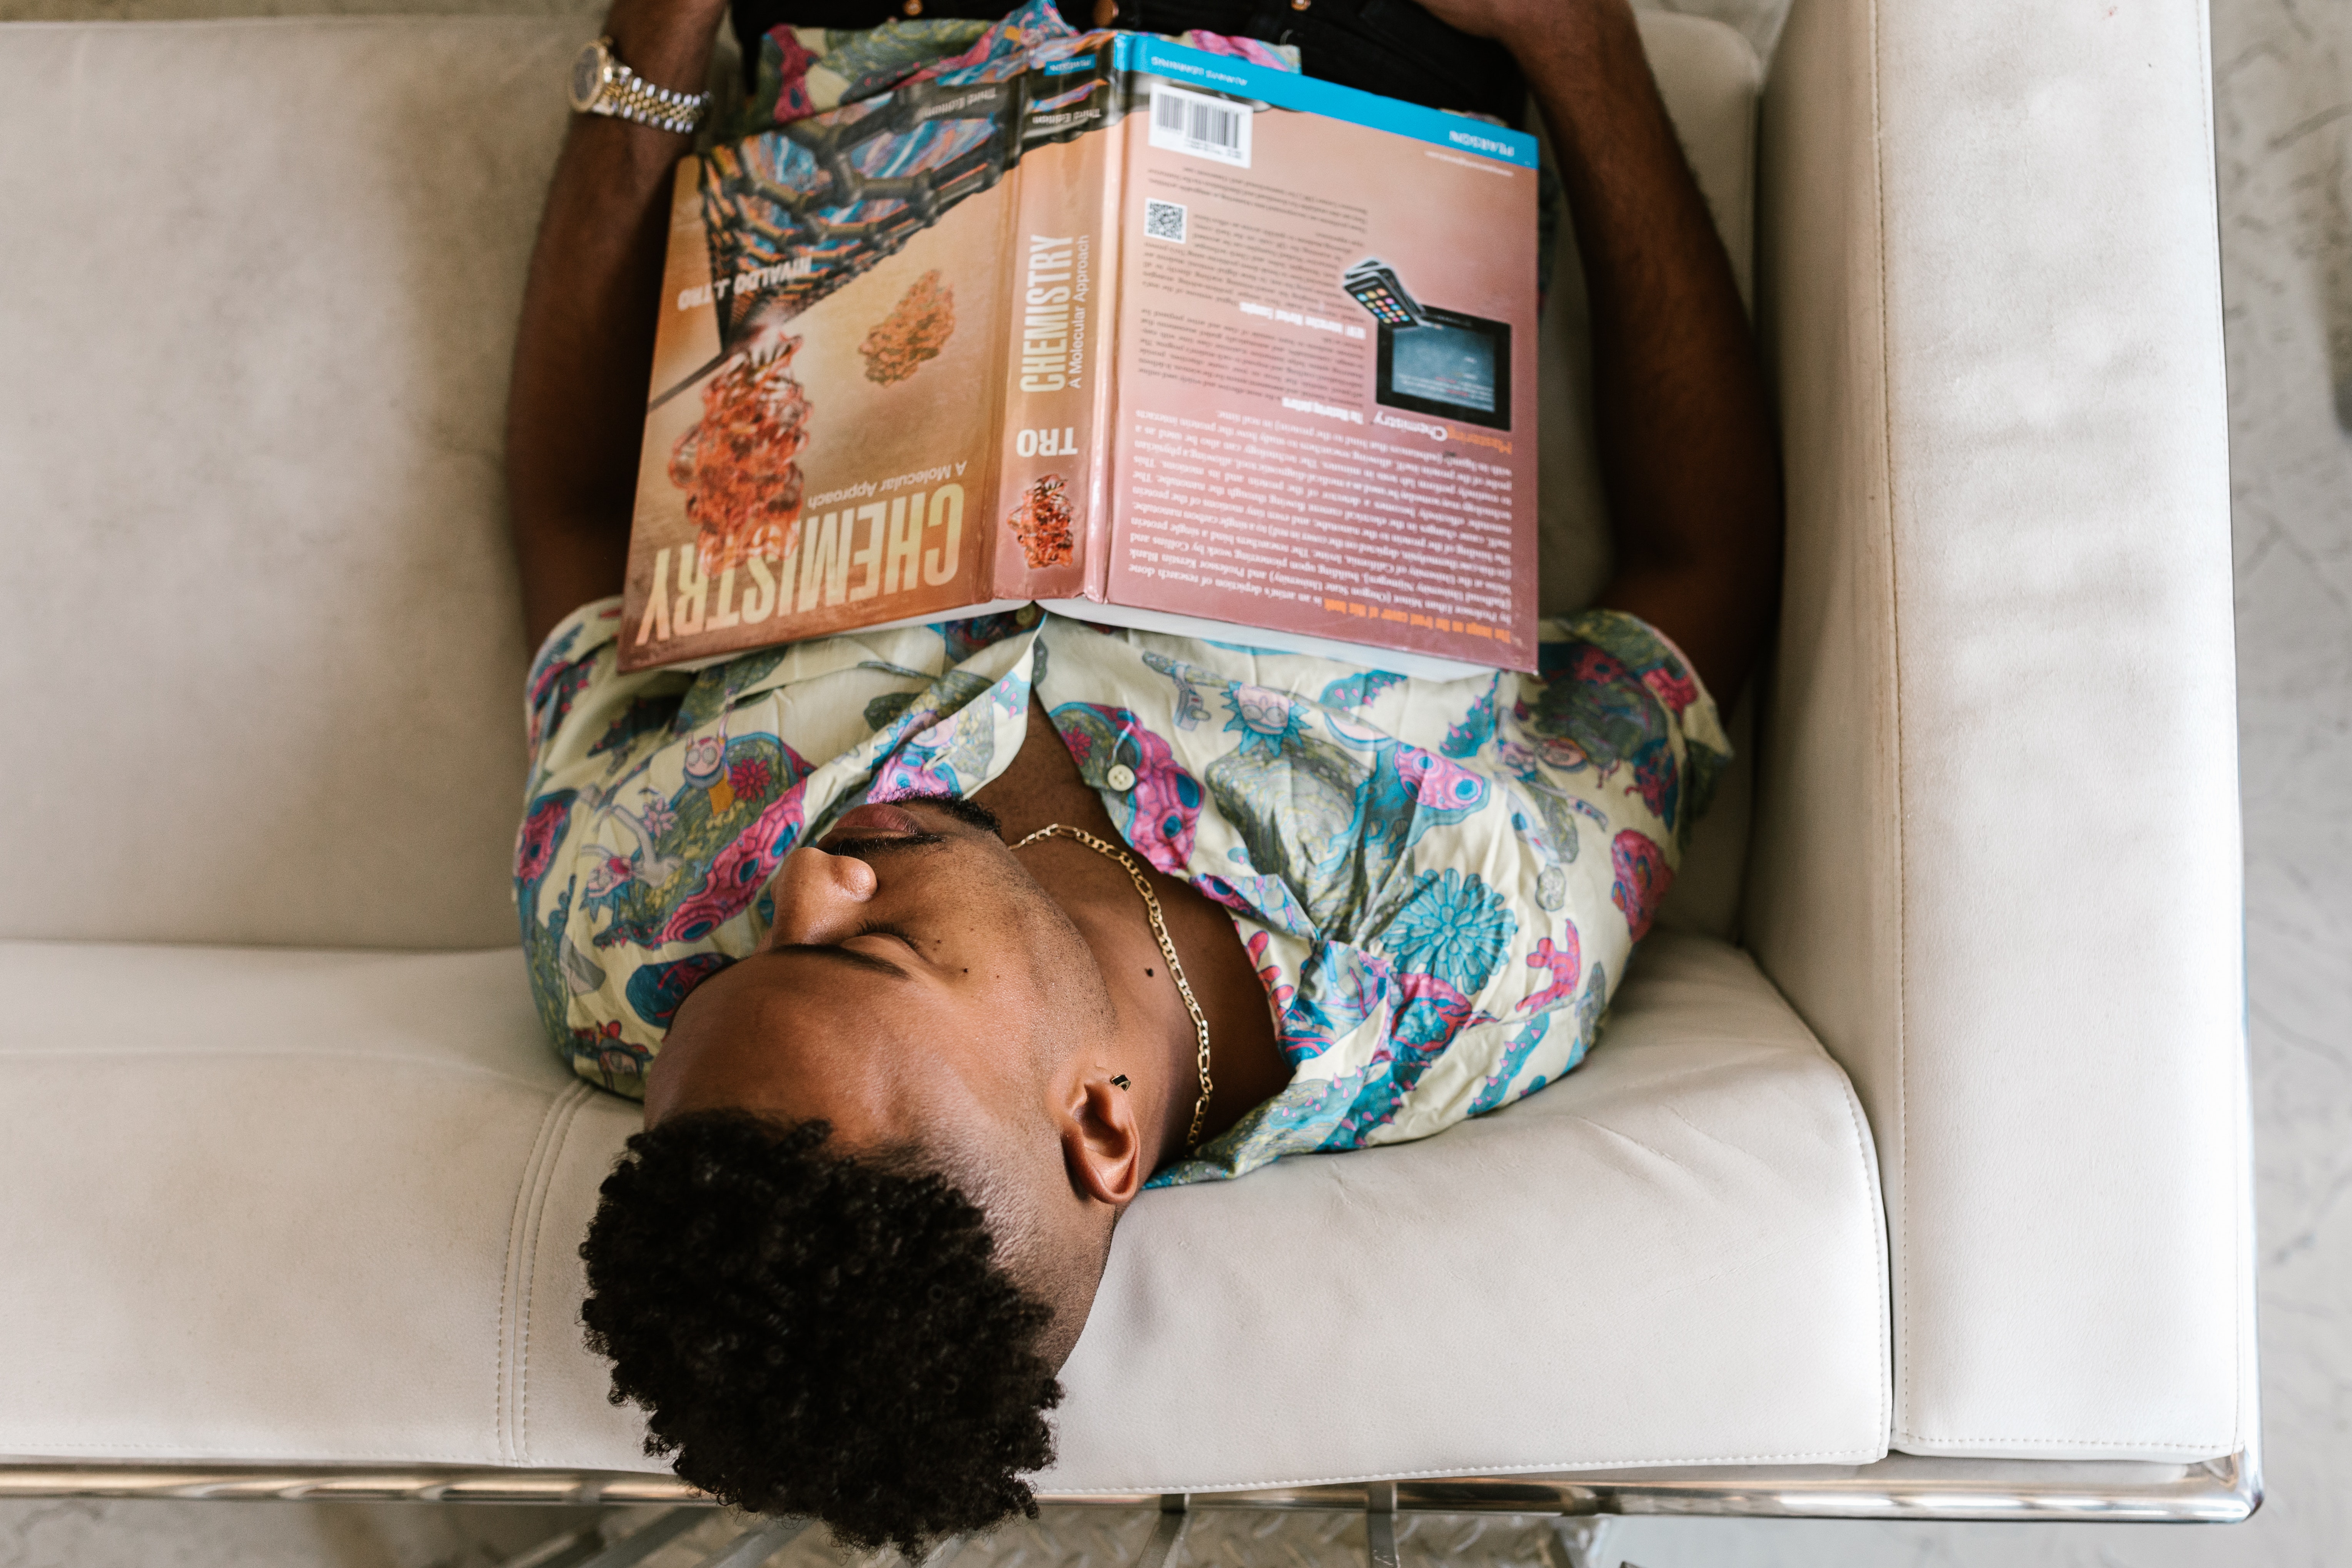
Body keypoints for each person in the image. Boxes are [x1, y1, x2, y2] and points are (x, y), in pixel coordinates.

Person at [504, 0, 1778, 1549]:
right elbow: (1695, 575)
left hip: (873, 68)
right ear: (1099, 1125)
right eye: (875, 946)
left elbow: (576, 528)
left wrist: (648, 62)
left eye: (755, 949)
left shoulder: (619, 952)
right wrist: (1581, 52)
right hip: (1340, 67)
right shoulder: (1455, 952)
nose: (801, 877)